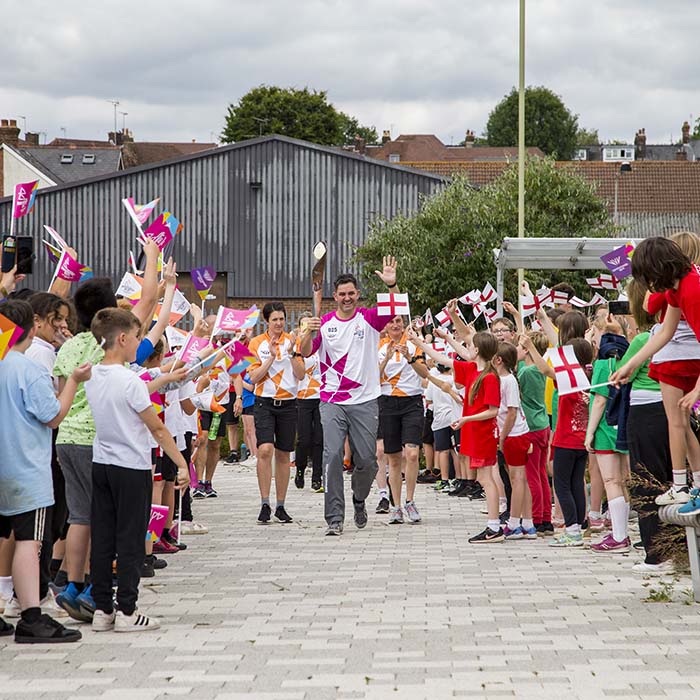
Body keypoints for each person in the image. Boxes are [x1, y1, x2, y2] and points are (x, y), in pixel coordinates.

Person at [85, 308, 189, 633]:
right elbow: (158, 429)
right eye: (138, 337)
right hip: (132, 467)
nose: (141, 344)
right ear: (122, 338)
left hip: (102, 464)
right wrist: (182, 463)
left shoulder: (91, 375)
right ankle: (127, 611)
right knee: (130, 539)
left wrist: (165, 379)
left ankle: (102, 609)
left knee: (102, 536)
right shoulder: (129, 380)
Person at [0, 300, 90, 643]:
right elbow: (53, 415)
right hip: (26, 468)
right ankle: (31, 616)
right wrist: (74, 381)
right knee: (29, 541)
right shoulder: (27, 369)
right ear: (32, 327)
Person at [300, 257, 397, 536]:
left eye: (351, 293)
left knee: (367, 460)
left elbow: (396, 309)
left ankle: (358, 498)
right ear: (334, 296)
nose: (347, 298)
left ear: (357, 295)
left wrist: (391, 284)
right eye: (342, 294)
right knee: (331, 457)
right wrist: (309, 332)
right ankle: (334, 518)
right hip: (331, 399)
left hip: (365, 399)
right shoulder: (325, 323)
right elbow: (306, 351)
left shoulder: (368, 319)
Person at [611, 235, 700, 502]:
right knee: (678, 421)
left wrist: (697, 389)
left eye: (646, 277)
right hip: (683, 354)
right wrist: (631, 364)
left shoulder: (692, 291)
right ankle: (687, 485)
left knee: (677, 421)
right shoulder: (678, 287)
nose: (647, 285)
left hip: (688, 358)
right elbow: (664, 334)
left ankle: (682, 486)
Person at [623, 279, 674, 573]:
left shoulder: (646, 338)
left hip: (646, 411)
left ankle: (656, 553)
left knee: (646, 480)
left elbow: (625, 373)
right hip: (668, 409)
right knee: (669, 479)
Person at [248, 302, 305, 524]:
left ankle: (281, 505)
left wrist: (291, 354)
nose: (279, 323)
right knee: (264, 450)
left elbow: (300, 374)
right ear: (266, 321)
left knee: (283, 455)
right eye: (275, 320)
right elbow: (252, 378)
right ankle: (264, 503)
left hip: (289, 404)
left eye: (282, 319)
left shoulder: (294, 341)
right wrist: (270, 357)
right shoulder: (256, 343)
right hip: (264, 402)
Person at [377, 315, 427, 524]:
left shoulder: (414, 344)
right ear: (386, 326)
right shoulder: (378, 347)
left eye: (398, 321)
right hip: (388, 403)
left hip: (411, 402)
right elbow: (372, 377)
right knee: (394, 459)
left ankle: (410, 500)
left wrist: (409, 358)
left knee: (413, 454)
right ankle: (395, 506)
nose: (395, 325)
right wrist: (387, 357)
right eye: (391, 322)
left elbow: (425, 372)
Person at [585, 331, 631, 553]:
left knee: (611, 480)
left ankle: (619, 536)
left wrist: (589, 432)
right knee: (623, 481)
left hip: (604, 428)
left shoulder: (603, 364)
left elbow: (599, 400)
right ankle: (623, 531)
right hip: (622, 426)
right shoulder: (627, 360)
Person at [493, 342, 535, 540]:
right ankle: (528, 522)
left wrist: (502, 437)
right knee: (520, 478)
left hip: (514, 434)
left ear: (499, 360)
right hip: (515, 433)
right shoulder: (504, 379)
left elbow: (511, 412)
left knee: (517, 479)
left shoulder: (508, 380)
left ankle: (514, 522)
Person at [295, 313, 324, 493]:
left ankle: (317, 477)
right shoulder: (297, 346)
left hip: (322, 396)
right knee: (304, 439)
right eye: (304, 326)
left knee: (320, 439)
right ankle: (300, 469)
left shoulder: (320, 344)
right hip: (303, 397)